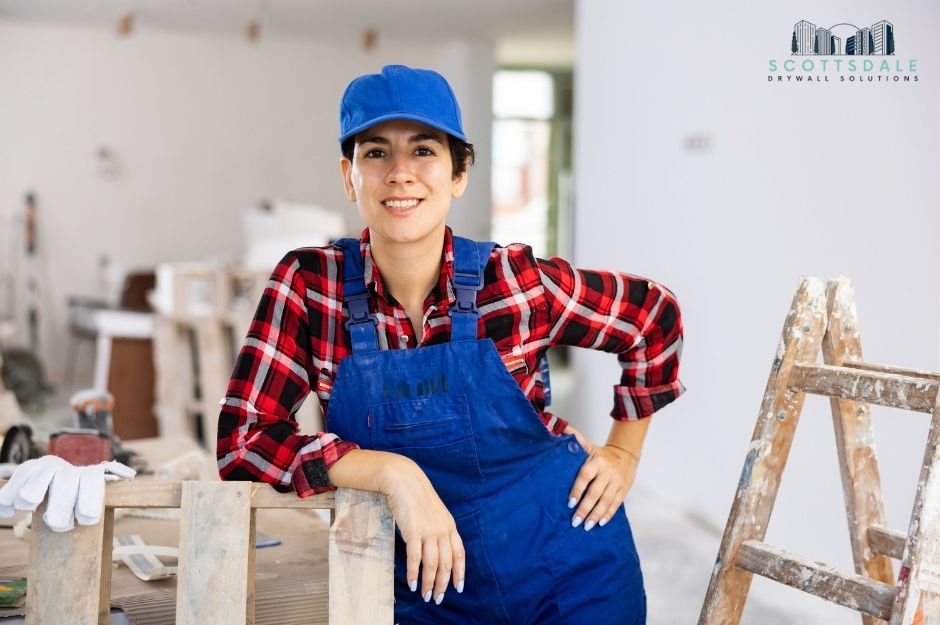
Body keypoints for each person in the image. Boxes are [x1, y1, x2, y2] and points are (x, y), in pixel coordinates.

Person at [218, 64, 685, 624]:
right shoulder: (310, 286)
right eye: (375, 153)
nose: (400, 174)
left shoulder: (512, 282)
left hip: (570, 570)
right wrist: (392, 473)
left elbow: (653, 316)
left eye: (423, 151)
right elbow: (243, 441)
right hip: (422, 587)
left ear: (458, 173)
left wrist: (623, 452)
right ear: (349, 176)